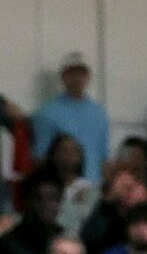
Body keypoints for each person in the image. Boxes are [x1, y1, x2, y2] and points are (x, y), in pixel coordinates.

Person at [30, 53, 110, 184]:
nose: (77, 78)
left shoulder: (99, 113)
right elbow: (41, 158)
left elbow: (104, 158)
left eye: (82, 73)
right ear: (63, 76)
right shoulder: (47, 112)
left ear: (88, 76)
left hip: (93, 187)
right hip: (61, 187)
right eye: (72, 73)